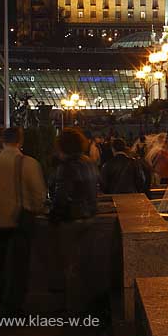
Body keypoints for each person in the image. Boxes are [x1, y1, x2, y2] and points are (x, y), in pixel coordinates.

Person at [0, 127, 47, 316]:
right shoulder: (28, 163)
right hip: (20, 221)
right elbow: (39, 195)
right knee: (19, 266)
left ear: (2, 140)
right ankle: (14, 306)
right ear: (20, 141)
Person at [48, 127, 100, 315]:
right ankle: (87, 302)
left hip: (72, 219)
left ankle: (72, 307)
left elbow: (61, 196)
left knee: (70, 265)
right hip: (89, 217)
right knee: (86, 262)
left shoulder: (66, 167)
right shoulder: (89, 162)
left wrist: (53, 215)